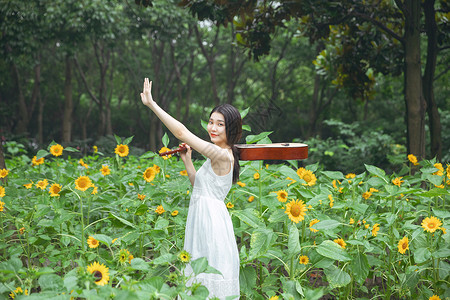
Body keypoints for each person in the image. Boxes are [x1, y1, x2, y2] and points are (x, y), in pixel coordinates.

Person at [140, 78, 241, 299]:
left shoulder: (222, 154)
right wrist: (187, 160)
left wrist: (152, 104)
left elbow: (181, 133)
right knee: (197, 278)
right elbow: (201, 186)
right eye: (211, 121)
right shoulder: (218, 152)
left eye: (220, 124)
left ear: (231, 128)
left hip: (211, 223)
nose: (212, 128)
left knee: (207, 279)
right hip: (204, 218)